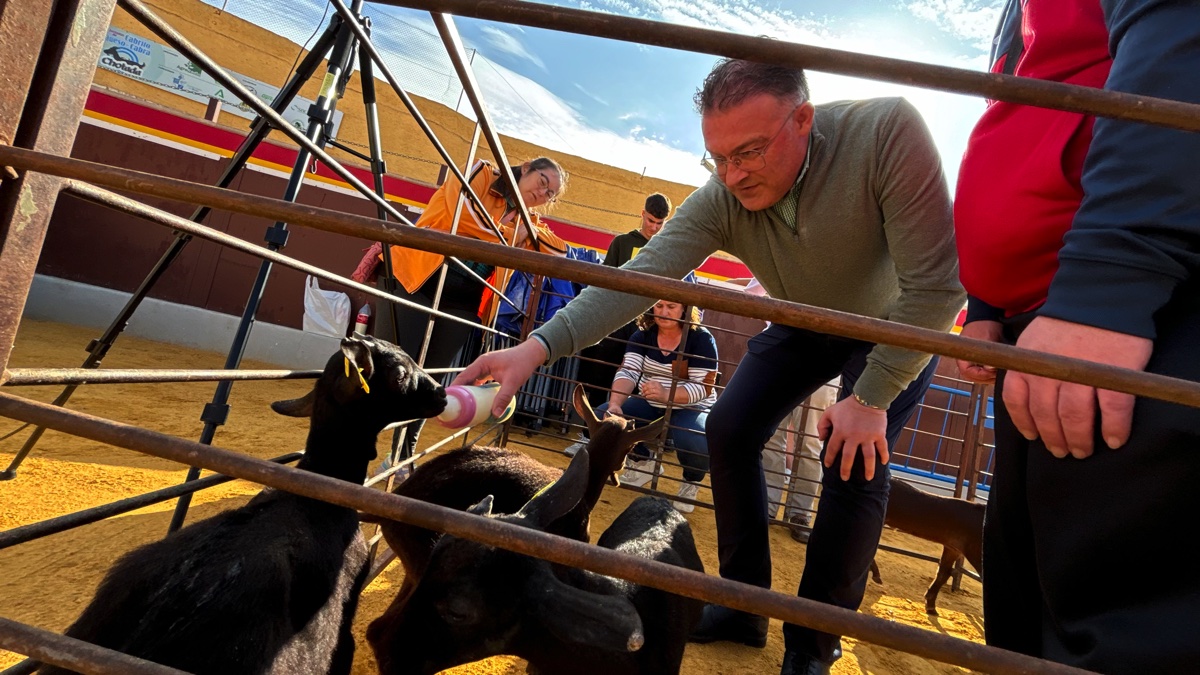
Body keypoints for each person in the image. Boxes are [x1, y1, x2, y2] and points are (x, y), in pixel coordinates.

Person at [454, 59, 963, 674]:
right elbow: (639, 279)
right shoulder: (726, 192)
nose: (732, 175)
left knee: (852, 464)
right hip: (802, 320)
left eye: (748, 152)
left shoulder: (885, 131)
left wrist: (873, 397)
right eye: (716, 158)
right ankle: (742, 603)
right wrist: (534, 348)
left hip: (893, 330)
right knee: (728, 428)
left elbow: (937, 288)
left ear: (803, 119)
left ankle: (812, 648)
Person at [953, 2, 1200, 670]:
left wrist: (1109, 283)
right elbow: (1020, 106)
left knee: (1117, 624)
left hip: (1139, 306)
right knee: (1024, 607)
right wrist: (987, 296)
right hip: (1048, 325)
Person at [351, 157, 568, 461]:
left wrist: (517, 233)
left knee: (428, 378)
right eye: (543, 182)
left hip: (464, 299)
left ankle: (401, 454)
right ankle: (352, 444)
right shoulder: (482, 172)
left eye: (550, 196)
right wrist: (510, 239)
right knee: (390, 370)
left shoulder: (526, 220)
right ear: (526, 167)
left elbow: (558, 249)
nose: (542, 194)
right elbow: (462, 216)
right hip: (414, 279)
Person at [566, 193, 674, 455]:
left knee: (639, 386)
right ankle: (587, 435)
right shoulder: (622, 243)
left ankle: (627, 446)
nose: (654, 228)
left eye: (660, 223)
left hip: (650, 330)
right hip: (616, 323)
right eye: (651, 221)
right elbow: (604, 282)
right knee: (600, 376)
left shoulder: (670, 248)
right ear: (642, 213)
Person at [589, 299, 717, 513]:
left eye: (671, 307)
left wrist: (668, 394)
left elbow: (703, 387)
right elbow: (628, 371)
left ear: (685, 309)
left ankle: (691, 480)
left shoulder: (702, 339)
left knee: (695, 437)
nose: (663, 312)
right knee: (604, 415)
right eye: (658, 306)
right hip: (650, 403)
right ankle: (642, 462)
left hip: (692, 407)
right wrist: (615, 404)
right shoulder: (641, 336)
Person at [761, 381, 838, 543]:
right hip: (781, 361)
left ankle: (800, 512)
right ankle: (766, 504)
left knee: (810, 443)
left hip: (824, 368)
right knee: (770, 436)